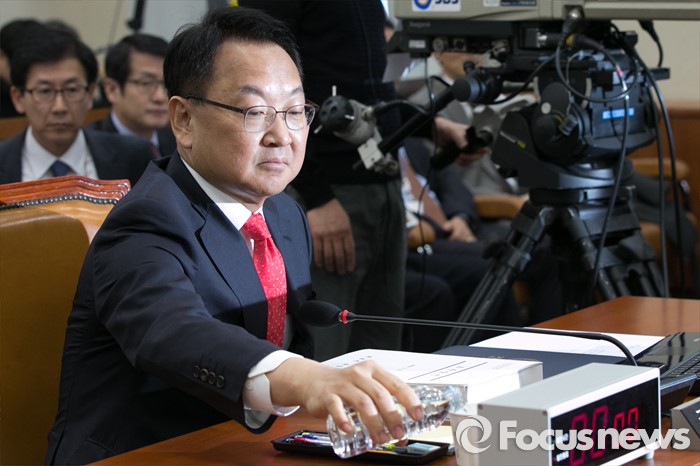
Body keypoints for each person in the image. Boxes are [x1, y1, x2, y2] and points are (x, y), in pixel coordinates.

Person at [45, 7, 423, 464]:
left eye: (295, 111)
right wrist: (308, 378)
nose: (281, 135)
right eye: (255, 112)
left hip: (252, 447)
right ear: (184, 120)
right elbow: (174, 329)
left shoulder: (284, 213)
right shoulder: (146, 220)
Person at [238, 0, 468, 361]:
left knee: (381, 351)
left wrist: (429, 126)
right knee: (323, 352)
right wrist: (317, 200)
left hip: (383, 185)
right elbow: (266, 91)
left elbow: (372, 91)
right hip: (329, 194)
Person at [0, 27, 152, 186]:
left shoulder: (134, 156)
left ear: (90, 94)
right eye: (45, 91)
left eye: (72, 90)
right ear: (18, 98)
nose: (59, 107)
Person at [87, 33, 176, 158]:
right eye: (146, 83)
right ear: (112, 90)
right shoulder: (90, 149)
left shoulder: (180, 142)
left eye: (167, 84)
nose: (160, 97)